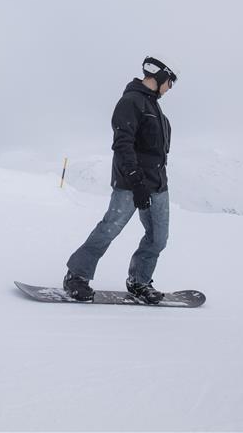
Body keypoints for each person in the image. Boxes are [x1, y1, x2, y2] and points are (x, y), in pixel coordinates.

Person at [63, 56, 177, 304]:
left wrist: (154, 182)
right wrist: (136, 180)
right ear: (157, 79)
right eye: (170, 82)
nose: (170, 88)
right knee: (109, 228)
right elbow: (123, 144)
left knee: (158, 238)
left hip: (158, 185)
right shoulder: (131, 102)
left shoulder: (156, 109)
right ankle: (76, 276)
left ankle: (139, 281)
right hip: (130, 183)